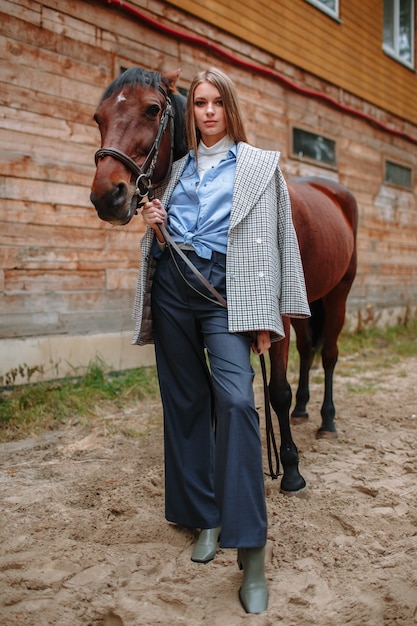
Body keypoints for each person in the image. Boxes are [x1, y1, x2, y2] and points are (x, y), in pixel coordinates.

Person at [132, 67, 310, 614]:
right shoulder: (176, 169)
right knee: (185, 405)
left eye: (217, 103)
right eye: (201, 103)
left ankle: (251, 553)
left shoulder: (260, 166)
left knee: (235, 402)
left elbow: (283, 243)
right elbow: (158, 226)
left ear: (230, 108)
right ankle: (205, 519)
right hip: (172, 286)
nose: (208, 112)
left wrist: (272, 318)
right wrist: (153, 218)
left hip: (226, 297)